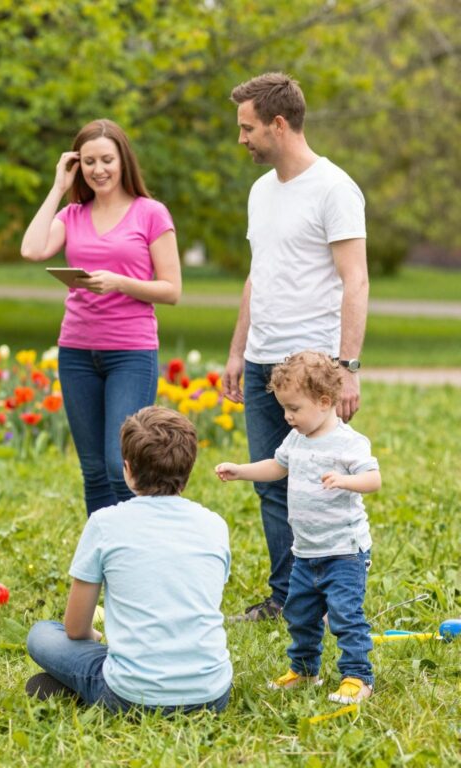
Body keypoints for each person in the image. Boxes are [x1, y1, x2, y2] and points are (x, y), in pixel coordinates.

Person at [222, 72, 369, 622]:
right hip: (263, 359)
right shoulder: (261, 191)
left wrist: (346, 367)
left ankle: (334, 597)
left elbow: (355, 279)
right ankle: (286, 599)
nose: (242, 139)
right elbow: (257, 277)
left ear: (278, 125)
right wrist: (238, 351)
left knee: (322, 484)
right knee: (272, 484)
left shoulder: (335, 189)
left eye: (248, 128)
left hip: (313, 366)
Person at [20, 119, 181, 516]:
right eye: (89, 161)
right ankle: (104, 555)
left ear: (123, 160)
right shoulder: (72, 214)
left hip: (130, 352)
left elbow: (172, 289)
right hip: (76, 352)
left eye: (107, 159)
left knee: (119, 465)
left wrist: (120, 283)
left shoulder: (150, 213)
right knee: (93, 470)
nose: (98, 169)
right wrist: (58, 188)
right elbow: (31, 249)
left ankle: (134, 551)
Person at [25, 406, 232, 714]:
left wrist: (94, 640)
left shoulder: (105, 523)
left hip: (130, 695)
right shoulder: (214, 524)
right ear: (188, 471)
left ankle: (91, 686)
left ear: (127, 469)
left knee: (41, 634)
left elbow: (75, 628)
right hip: (211, 695)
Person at [216, 352, 380, 703]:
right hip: (306, 552)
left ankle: (357, 677)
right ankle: (305, 670)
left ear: (324, 402)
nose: (287, 416)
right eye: (284, 409)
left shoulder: (349, 442)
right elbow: (277, 466)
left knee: (345, 616)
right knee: (300, 615)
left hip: (344, 552)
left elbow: (373, 479)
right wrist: (241, 471)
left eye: (294, 408)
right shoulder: (297, 439)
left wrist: (345, 481)